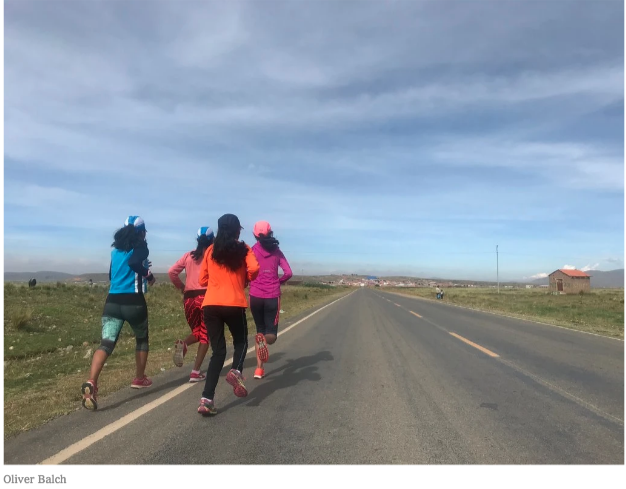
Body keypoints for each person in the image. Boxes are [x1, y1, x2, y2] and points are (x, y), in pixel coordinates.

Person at [81, 216, 156, 410]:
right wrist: (148, 274)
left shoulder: (115, 251)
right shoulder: (141, 247)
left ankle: (91, 381)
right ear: (142, 232)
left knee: (106, 343)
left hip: (112, 302)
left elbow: (111, 275)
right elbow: (134, 263)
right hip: (133, 302)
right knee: (142, 340)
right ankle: (139, 378)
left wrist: (137, 269)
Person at [197, 214, 260, 416]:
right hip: (234, 303)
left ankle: (207, 400)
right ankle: (236, 371)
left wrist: (216, 282)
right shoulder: (244, 248)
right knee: (241, 342)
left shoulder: (210, 250)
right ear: (237, 230)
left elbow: (202, 279)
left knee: (218, 352)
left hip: (211, 305)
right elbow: (254, 268)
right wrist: (245, 278)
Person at [168, 227, 215, 382]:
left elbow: (171, 272)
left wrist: (181, 287)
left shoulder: (188, 255)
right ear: (212, 240)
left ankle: (184, 344)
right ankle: (195, 372)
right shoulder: (212, 256)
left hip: (189, 299)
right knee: (205, 336)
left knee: (197, 331)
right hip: (205, 297)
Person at [249, 221, 293, 380]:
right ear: (271, 233)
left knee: (260, 330)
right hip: (272, 296)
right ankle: (263, 340)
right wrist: (278, 282)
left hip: (255, 296)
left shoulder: (252, 250)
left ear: (254, 235)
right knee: (271, 336)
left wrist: (250, 281)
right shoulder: (277, 251)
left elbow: (246, 270)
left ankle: (259, 370)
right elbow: (288, 272)